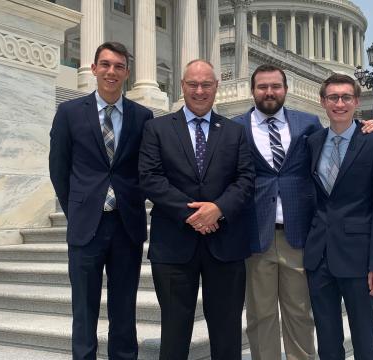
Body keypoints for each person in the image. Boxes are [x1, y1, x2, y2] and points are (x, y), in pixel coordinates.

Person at [231, 64, 373, 360]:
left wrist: (368, 126)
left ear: (286, 89)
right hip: (255, 237)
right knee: (261, 316)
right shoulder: (236, 128)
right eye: (262, 87)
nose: (269, 92)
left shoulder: (308, 124)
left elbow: (340, 140)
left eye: (275, 86)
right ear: (253, 91)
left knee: (300, 314)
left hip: (298, 235)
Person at [138, 59, 255, 359]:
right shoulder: (157, 128)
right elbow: (150, 178)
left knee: (227, 333)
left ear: (216, 87)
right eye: (193, 84)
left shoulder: (234, 132)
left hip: (225, 245)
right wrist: (193, 214)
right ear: (182, 86)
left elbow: (246, 179)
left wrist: (218, 209)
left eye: (206, 84)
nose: (199, 91)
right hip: (174, 245)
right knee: (174, 333)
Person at [49, 42, 152, 360]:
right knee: (84, 309)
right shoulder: (69, 113)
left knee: (124, 308)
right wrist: (78, 209)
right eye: (105, 64)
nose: (111, 71)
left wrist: (134, 202)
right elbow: (59, 168)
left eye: (119, 66)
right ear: (93, 68)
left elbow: (146, 170)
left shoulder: (142, 116)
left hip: (126, 226)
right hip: (86, 227)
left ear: (127, 73)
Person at [304, 74, 373, 360]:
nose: (339, 103)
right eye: (333, 97)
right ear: (323, 102)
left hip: (359, 258)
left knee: (365, 338)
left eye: (345, 97)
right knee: (327, 338)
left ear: (356, 102)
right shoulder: (313, 142)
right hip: (319, 257)